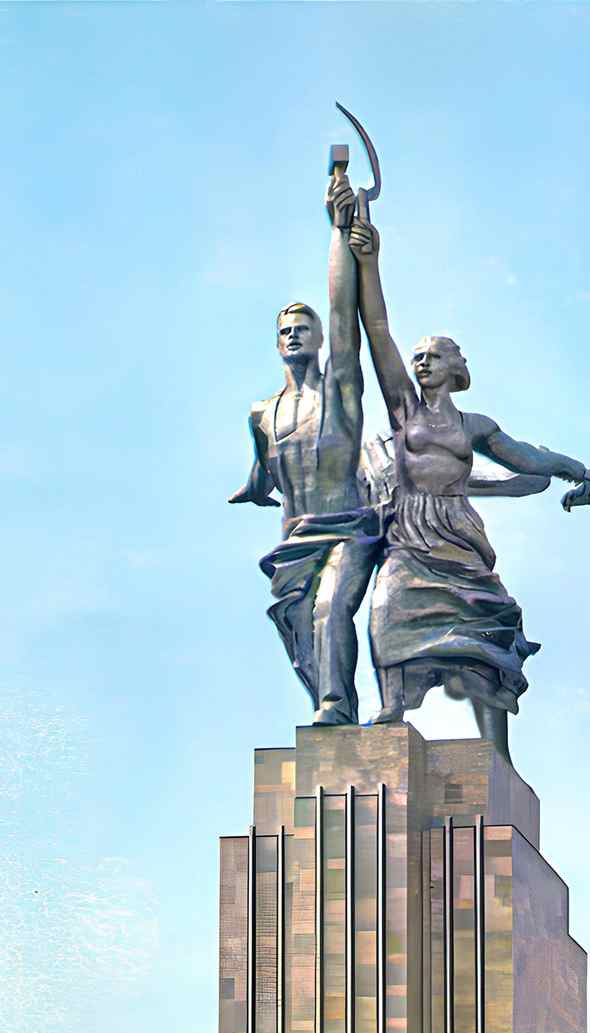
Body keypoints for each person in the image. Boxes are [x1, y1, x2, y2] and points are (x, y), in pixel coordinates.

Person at [346, 212, 590, 766]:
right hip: (409, 534)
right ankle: (391, 707)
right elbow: (378, 333)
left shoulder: (474, 427)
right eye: (419, 356)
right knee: (387, 607)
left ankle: (497, 753)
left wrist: (582, 471)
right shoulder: (403, 409)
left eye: (434, 354)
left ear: (456, 367)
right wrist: (369, 262)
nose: (421, 360)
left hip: (458, 537)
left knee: (484, 635)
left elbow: (530, 459)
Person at [230, 170, 378, 730]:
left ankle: (336, 707)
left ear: (319, 340)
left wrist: (338, 230)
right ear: (276, 343)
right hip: (295, 538)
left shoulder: (339, 391)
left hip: (350, 528)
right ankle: (331, 704)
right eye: (285, 330)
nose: (294, 335)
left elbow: (345, 315)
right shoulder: (261, 413)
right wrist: (252, 489)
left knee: (329, 608)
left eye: (304, 327)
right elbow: (263, 467)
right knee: (295, 624)